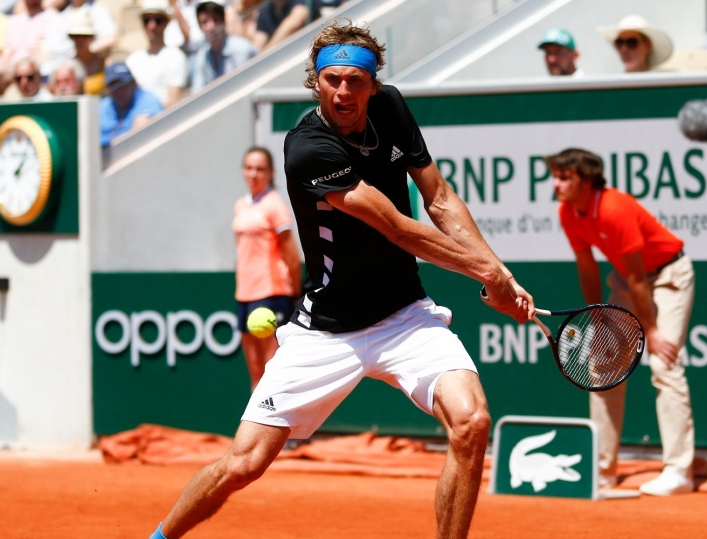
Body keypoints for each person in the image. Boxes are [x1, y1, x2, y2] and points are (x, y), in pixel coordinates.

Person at [150, 19, 535, 539]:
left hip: (405, 316)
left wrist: (502, 277)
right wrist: (489, 273)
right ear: (316, 83)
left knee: (472, 422)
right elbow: (398, 228)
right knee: (243, 465)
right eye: (332, 80)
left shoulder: (392, 108)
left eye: (356, 80)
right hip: (326, 330)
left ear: (374, 84)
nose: (344, 91)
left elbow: (439, 197)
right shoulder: (308, 148)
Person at [545, 148, 695, 497]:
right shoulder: (568, 211)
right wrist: (595, 314)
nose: (556, 183)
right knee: (602, 366)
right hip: (628, 281)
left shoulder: (615, 208)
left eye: (564, 177)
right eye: (555, 176)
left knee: (665, 364)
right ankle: (602, 471)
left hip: (669, 277)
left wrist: (652, 330)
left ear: (586, 180)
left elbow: (640, 277)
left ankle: (679, 471)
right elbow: (587, 265)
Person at [232, 147, 302, 389]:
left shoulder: (275, 205)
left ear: (271, 173)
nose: (254, 174)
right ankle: (255, 427)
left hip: (272, 293)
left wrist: (294, 295)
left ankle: (289, 427)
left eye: (260, 169)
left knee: (273, 372)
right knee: (255, 373)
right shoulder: (240, 205)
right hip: (244, 294)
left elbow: (292, 256)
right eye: (249, 168)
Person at [126, 0, 189, 107]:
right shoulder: (132, 60)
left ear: (166, 23)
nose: (152, 26)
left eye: (158, 20)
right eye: (146, 20)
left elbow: (173, 102)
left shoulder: (175, 56)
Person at [0, 0, 59, 93]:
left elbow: (44, 52)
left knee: (27, 72)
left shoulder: (52, 15)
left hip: (34, 69)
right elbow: (8, 50)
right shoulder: (15, 20)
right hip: (14, 70)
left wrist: (24, 69)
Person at [189, 0, 257, 92]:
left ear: (223, 22)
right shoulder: (202, 56)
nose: (211, 27)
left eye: (215, 20)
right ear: (200, 27)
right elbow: (197, 92)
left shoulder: (242, 49)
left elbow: (245, 88)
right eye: (205, 22)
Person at [40, 0, 118, 76]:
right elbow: (46, 51)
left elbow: (112, 39)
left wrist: (87, 49)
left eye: (85, 36)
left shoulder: (98, 10)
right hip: (66, 71)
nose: (79, 39)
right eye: (74, 36)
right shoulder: (60, 17)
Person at [99, 62, 163, 146]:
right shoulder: (103, 106)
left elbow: (143, 133)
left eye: (122, 85)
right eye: (113, 87)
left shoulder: (147, 100)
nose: (118, 91)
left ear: (133, 83)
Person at [598, 14, 674, 73]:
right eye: (619, 43)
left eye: (631, 42)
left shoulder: (662, 84)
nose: (624, 49)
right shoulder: (613, 86)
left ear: (647, 46)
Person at [252, 0, 318, 51]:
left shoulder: (301, 1)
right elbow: (258, 43)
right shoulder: (265, 10)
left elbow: (295, 22)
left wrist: (269, 50)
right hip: (278, 60)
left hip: (306, 49)